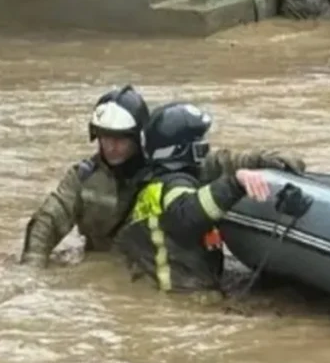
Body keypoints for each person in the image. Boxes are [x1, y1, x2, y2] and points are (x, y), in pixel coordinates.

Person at [21, 84, 306, 267]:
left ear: (139, 138)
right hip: (112, 268)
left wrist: (267, 161)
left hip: (158, 270)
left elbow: (223, 162)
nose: (111, 146)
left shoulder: (170, 166)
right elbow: (47, 220)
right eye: (104, 138)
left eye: (120, 139)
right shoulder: (83, 178)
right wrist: (32, 269)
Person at [114, 102, 273, 293]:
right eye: (200, 142)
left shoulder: (155, 184)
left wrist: (261, 161)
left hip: (164, 292)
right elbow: (188, 215)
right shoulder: (174, 185)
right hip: (183, 297)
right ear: (184, 148)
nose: (205, 148)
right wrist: (234, 184)